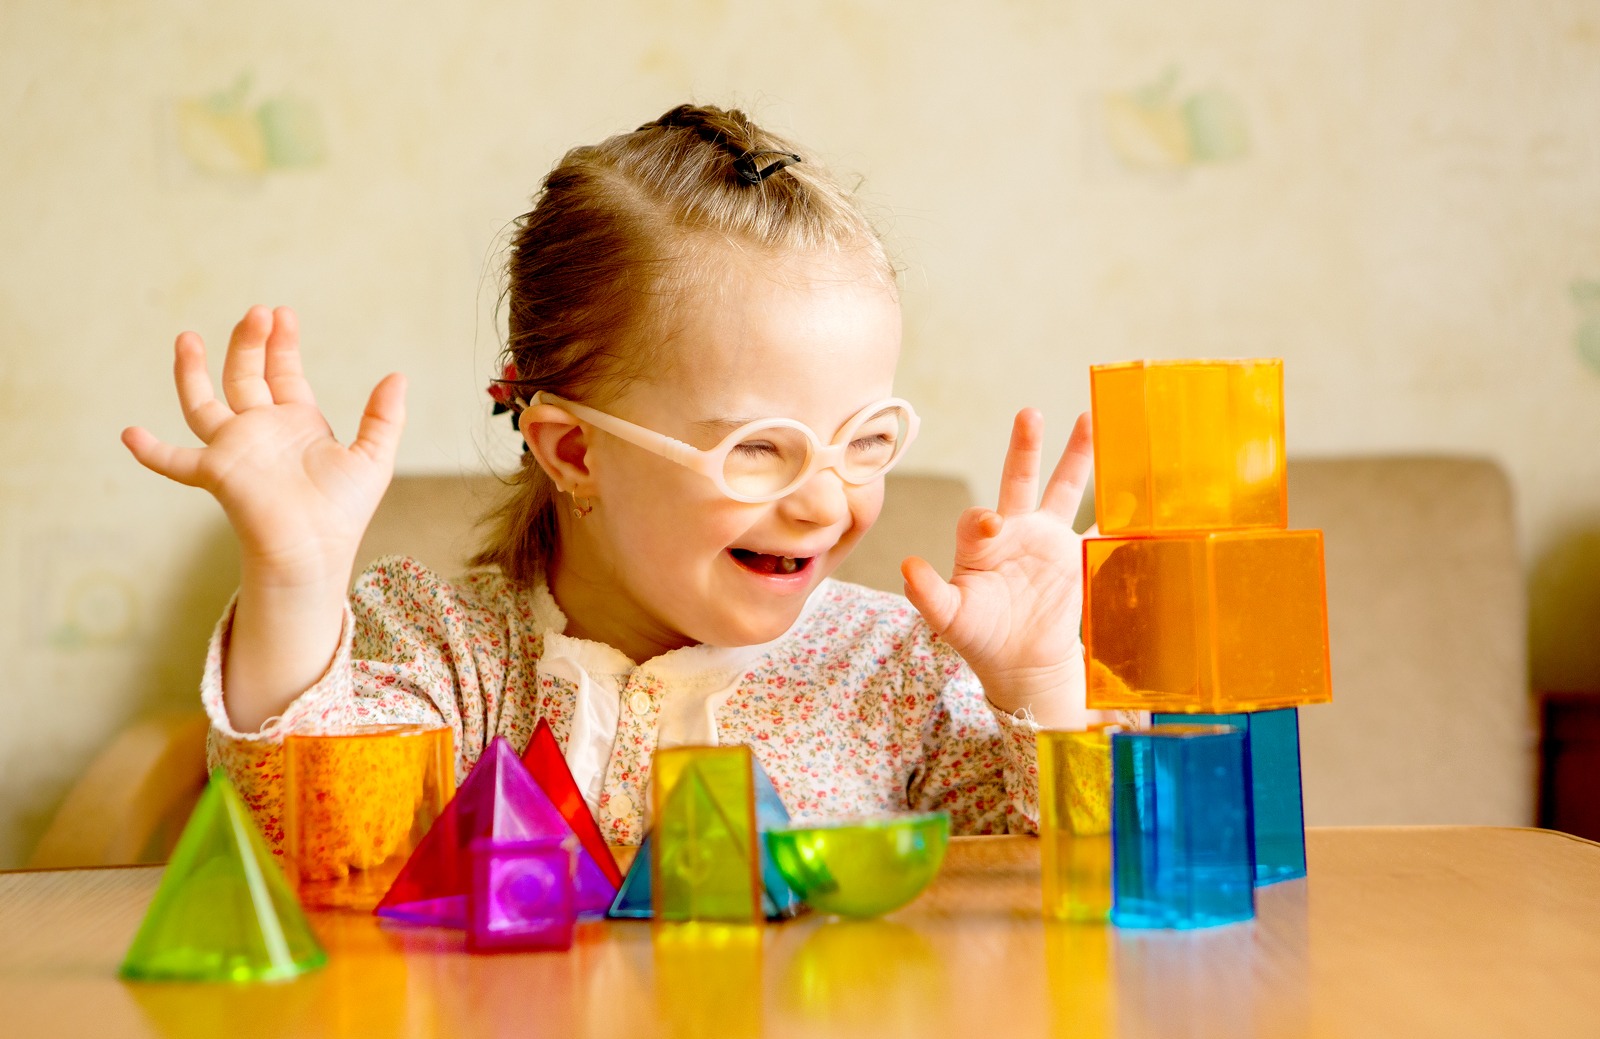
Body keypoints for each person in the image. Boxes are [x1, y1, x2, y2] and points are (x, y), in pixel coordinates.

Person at [122, 104, 1097, 849]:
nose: (826, 500)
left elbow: (1063, 888)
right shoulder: (445, 658)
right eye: (759, 446)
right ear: (574, 452)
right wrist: (293, 577)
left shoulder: (895, 668)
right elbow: (312, 838)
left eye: (864, 437)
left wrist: (1043, 682)